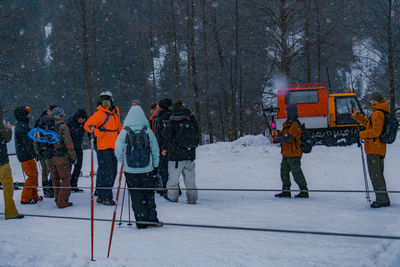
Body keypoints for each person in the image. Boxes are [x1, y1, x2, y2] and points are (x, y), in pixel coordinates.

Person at [115, 100, 162, 229]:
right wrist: (155, 165)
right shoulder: (147, 131)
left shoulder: (124, 132)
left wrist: (124, 163)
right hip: (147, 169)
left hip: (130, 170)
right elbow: (155, 150)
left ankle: (141, 222)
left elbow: (118, 151)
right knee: (148, 194)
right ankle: (152, 219)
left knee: (136, 196)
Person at [351, 91, 391, 208]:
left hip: (374, 148)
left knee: (375, 174)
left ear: (376, 100)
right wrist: (357, 116)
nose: (370, 101)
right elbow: (368, 124)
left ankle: (382, 200)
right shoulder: (378, 112)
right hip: (377, 148)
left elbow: (376, 132)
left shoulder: (378, 113)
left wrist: (361, 134)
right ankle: (383, 198)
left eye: (371, 99)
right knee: (378, 174)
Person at [84, 91, 122, 206]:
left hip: (114, 146)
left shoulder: (116, 112)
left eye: (107, 101)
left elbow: (118, 127)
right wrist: (98, 133)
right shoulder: (99, 114)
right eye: (103, 101)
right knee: (107, 172)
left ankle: (101, 195)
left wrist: (123, 137)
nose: (105, 103)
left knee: (113, 171)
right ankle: (106, 197)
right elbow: (87, 125)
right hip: (103, 147)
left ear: (111, 101)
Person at [162, 99, 200, 204]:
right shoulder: (192, 119)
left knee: (173, 181)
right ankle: (192, 199)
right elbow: (197, 135)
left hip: (176, 157)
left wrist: (165, 128)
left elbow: (166, 135)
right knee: (190, 180)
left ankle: (172, 198)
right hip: (190, 155)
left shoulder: (173, 120)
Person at [270, 104, 309, 198]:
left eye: (288, 111)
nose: (287, 113)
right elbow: (284, 134)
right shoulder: (286, 124)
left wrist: (276, 140)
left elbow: (289, 137)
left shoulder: (295, 124)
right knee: (283, 172)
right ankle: (286, 190)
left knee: (297, 172)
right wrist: (277, 133)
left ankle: (304, 191)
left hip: (294, 153)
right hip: (286, 153)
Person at [47, 107, 76, 209]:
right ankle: (62, 201)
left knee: (55, 179)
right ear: (62, 115)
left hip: (50, 157)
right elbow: (68, 142)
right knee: (65, 179)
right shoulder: (63, 127)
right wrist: (72, 155)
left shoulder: (47, 125)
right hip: (61, 157)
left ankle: (57, 199)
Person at [14, 106, 42, 204]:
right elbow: (27, 143)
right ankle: (25, 198)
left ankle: (34, 195)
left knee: (34, 175)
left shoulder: (23, 125)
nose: (29, 116)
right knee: (31, 176)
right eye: (28, 114)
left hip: (26, 154)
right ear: (23, 115)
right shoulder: (22, 126)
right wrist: (34, 154)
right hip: (25, 155)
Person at [0, 103, 24, 219]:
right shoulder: (1, 125)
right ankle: (10, 211)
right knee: (8, 186)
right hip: (1, 160)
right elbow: (7, 137)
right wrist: (8, 129)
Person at [34, 104, 58, 198]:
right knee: (48, 169)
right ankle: (48, 189)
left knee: (46, 170)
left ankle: (47, 189)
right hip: (46, 148)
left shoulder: (40, 120)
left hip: (42, 148)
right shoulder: (46, 121)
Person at [66, 109, 87, 192]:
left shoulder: (84, 123)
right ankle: (67, 185)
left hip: (78, 146)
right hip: (70, 147)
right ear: (77, 118)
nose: (82, 120)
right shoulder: (70, 123)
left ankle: (74, 184)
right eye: (81, 118)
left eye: (84, 119)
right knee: (69, 166)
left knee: (78, 166)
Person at [154, 98, 172, 194]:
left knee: (163, 168)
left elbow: (164, 135)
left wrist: (163, 147)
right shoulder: (171, 115)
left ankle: (164, 188)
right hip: (170, 147)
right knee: (170, 169)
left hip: (163, 147)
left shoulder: (163, 118)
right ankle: (173, 187)